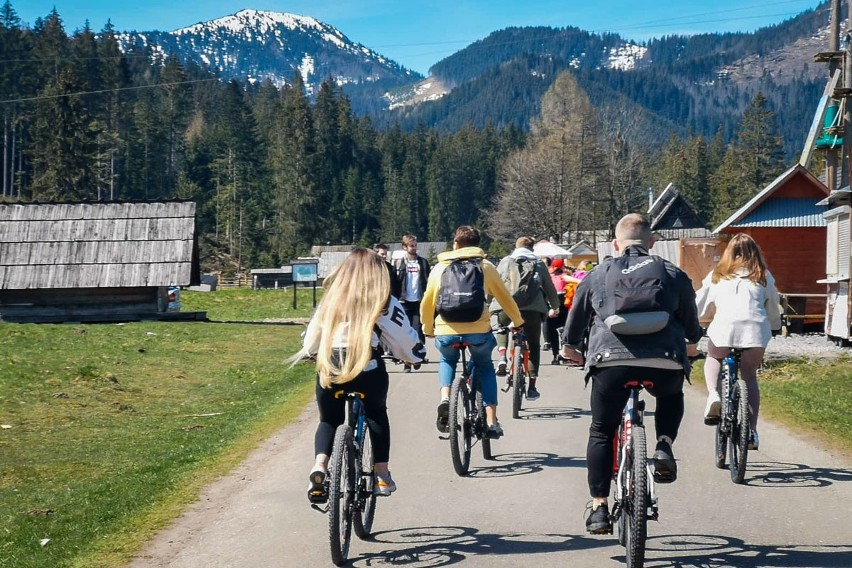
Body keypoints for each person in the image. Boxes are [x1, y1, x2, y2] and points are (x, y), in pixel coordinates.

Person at [560, 213, 702, 534]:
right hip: (664, 360)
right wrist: (692, 341)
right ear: (652, 242)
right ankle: (663, 445)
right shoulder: (671, 272)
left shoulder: (599, 273)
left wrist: (570, 347)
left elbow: (577, 318)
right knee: (670, 395)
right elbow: (690, 318)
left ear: (615, 243)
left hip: (612, 362)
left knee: (601, 430)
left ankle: (598, 508)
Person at [291, 249, 426, 504]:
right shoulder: (383, 302)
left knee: (329, 420)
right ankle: (382, 475)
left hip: (331, 367)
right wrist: (414, 357)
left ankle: (320, 466)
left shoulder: (331, 299)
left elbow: (311, 339)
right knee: (376, 413)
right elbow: (404, 339)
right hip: (367, 367)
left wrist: (311, 353)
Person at [420, 225, 524, 438]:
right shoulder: (485, 266)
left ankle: (446, 399)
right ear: (478, 246)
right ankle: (491, 420)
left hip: (446, 330)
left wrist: (427, 328)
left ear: (456, 245)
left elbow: (427, 302)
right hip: (478, 330)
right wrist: (517, 321)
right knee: (485, 366)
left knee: (447, 360)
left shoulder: (440, 268)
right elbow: (505, 298)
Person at [695, 233, 782, 451]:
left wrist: (694, 321)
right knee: (749, 377)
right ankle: (751, 431)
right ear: (755, 253)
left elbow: (700, 303)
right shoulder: (763, 276)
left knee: (714, 356)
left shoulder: (717, 275)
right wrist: (774, 325)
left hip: (724, 328)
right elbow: (773, 306)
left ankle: (714, 395)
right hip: (756, 331)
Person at [490, 237, 560, 400]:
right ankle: (532, 387)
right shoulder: (539, 264)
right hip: (532, 310)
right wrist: (555, 307)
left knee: (501, 326)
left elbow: (494, 284)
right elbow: (549, 288)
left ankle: (502, 357)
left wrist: (488, 304)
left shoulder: (505, 261)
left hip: (507, 307)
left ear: (516, 246)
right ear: (532, 249)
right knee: (534, 345)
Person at [394, 234, 431, 371]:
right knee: (404, 331)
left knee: (417, 330)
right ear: (405, 247)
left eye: (415, 245)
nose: (414, 248)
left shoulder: (422, 262)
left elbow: (428, 281)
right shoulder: (399, 263)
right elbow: (395, 281)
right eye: (411, 246)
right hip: (403, 301)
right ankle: (407, 362)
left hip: (419, 301)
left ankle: (417, 355)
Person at [542, 258, 580, 365]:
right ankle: (565, 354)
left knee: (552, 330)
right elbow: (580, 282)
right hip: (564, 304)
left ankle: (555, 355)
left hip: (550, 305)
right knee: (567, 329)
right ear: (562, 267)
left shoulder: (549, 278)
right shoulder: (564, 277)